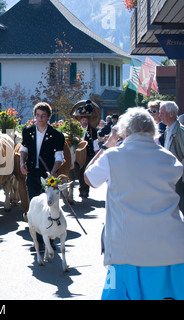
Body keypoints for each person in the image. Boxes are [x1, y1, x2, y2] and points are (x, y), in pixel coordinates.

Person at [84, 107, 184, 300]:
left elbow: (89, 178)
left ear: (125, 131)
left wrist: (107, 145)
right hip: (173, 246)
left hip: (129, 249)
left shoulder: (113, 157)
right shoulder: (168, 158)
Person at [20, 102, 65, 199]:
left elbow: (59, 157)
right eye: (38, 115)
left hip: (48, 175)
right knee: (33, 203)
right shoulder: (27, 132)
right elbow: (24, 149)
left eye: (43, 115)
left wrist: (53, 171)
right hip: (31, 173)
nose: (40, 118)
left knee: (47, 204)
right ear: (35, 116)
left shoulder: (57, 135)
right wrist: (22, 163)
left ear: (48, 117)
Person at [159, 101, 184, 212]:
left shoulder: (180, 132)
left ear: (171, 114)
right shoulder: (167, 130)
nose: (160, 116)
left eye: (162, 113)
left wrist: (178, 171)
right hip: (170, 177)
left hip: (178, 178)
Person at [77, 113, 99, 199]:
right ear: (80, 121)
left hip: (88, 154)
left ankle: (85, 191)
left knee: (86, 172)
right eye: (83, 120)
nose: (84, 122)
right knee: (79, 172)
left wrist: (97, 155)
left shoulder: (92, 130)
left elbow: (95, 144)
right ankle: (81, 188)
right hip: (78, 155)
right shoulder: (77, 129)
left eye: (86, 120)